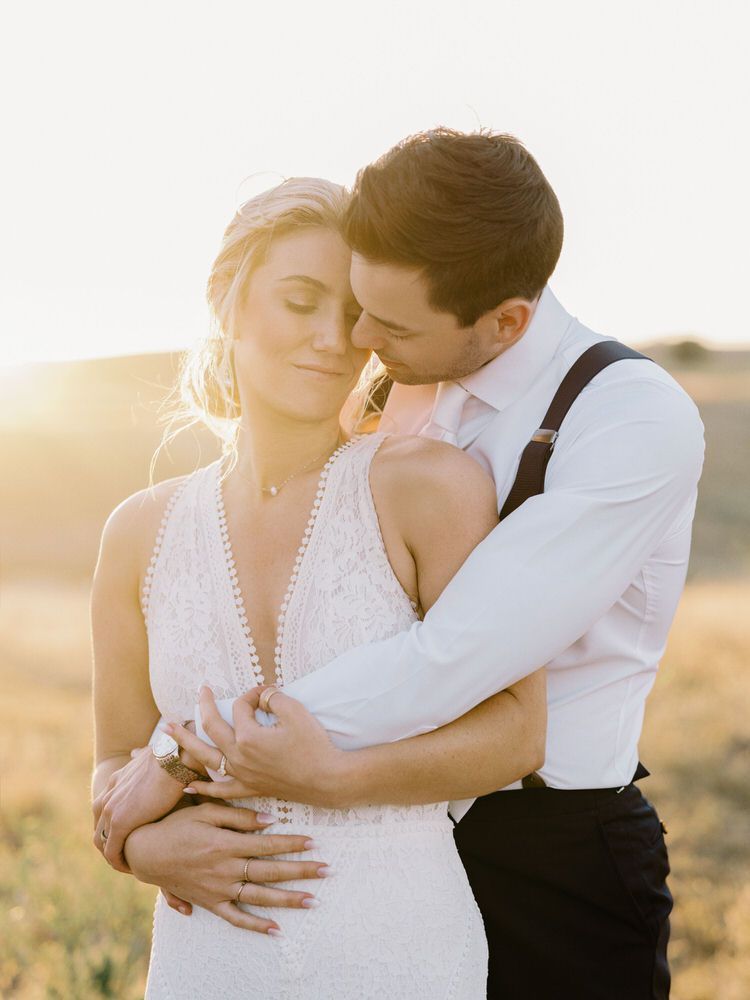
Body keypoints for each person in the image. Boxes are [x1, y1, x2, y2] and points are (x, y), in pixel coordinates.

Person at [161, 130, 705, 999]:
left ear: (506, 322)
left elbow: (450, 655)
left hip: (551, 849)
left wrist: (181, 756)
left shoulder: (629, 418)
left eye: (389, 323)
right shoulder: (401, 380)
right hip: (388, 857)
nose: (358, 341)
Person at [90, 176, 548, 998]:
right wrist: (146, 849)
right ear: (229, 305)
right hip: (206, 961)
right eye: (301, 302)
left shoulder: (428, 487)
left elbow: (516, 734)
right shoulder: (137, 531)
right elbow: (110, 765)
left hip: (399, 953)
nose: (333, 340)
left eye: (356, 315)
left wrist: (328, 778)